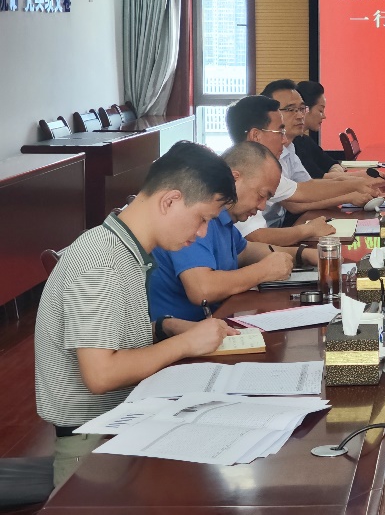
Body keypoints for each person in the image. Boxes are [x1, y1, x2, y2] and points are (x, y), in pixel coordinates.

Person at [35, 141, 239, 486]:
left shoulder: (122, 247)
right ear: (170, 201)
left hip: (123, 420)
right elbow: (101, 375)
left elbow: (113, 332)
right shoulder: (102, 262)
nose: (202, 232)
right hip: (93, 442)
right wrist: (185, 345)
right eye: (202, 219)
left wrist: (166, 327)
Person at [149, 141, 320, 322]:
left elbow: (245, 251)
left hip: (216, 322)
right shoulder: (197, 217)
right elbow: (202, 289)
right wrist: (263, 271)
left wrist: (302, 254)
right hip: (184, 332)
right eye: (261, 195)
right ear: (235, 179)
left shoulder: (225, 217)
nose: (262, 207)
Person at [225, 95, 359, 244]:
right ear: (256, 135)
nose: (284, 140)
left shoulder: (266, 164)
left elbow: (307, 187)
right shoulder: (247, 172)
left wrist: (356, 187)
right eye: (280, 132)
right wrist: (308, 232)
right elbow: (256, 239)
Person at [294, 80, 345, 177]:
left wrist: (334, 173)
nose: (324, 116)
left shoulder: (306, 141)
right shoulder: (292, 145)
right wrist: (334, 176)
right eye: (320, 110)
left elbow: (332, 164)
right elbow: (318, 179)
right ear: (305, 109)